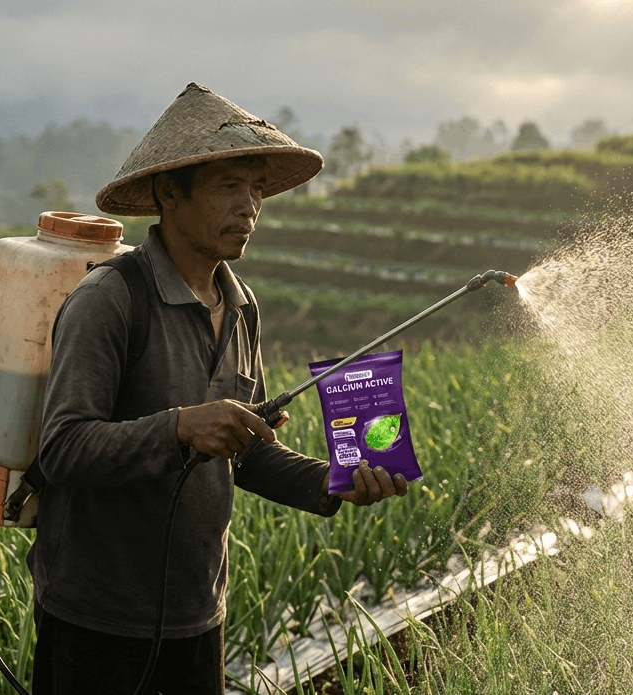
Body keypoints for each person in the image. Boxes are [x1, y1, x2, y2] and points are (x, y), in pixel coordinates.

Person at [27, 83, 409, 695]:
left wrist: (333, 481)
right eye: (229, 187)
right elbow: (64, 449)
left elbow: (246, 450)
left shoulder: (240, 306)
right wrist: (182, 425)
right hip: (96, 618)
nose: (249, 206)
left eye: (257, 189)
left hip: (198, 611)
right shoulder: (110, 302)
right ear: (168, 194)